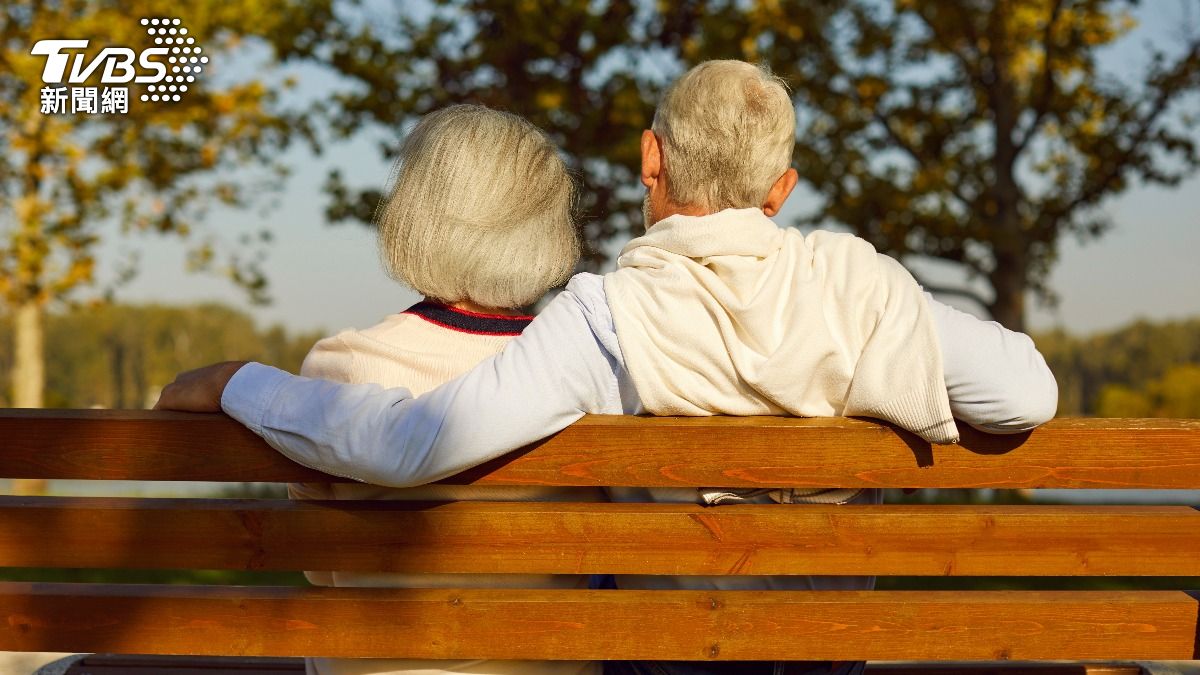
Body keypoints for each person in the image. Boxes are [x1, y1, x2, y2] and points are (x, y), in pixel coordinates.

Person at [158, 61, 1058, 675]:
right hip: (827, 649)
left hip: (664, 654)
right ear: (780, 191)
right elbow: (1025, 395)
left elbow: (411, 443)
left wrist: (240, 381)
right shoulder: (862, 285)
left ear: (650, 158)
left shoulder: (607, 315)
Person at [279, 104, 600, 675]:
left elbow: (318, 568)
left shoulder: (342, 366)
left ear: (415, 215)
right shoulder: (582, 372)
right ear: (549, 228)